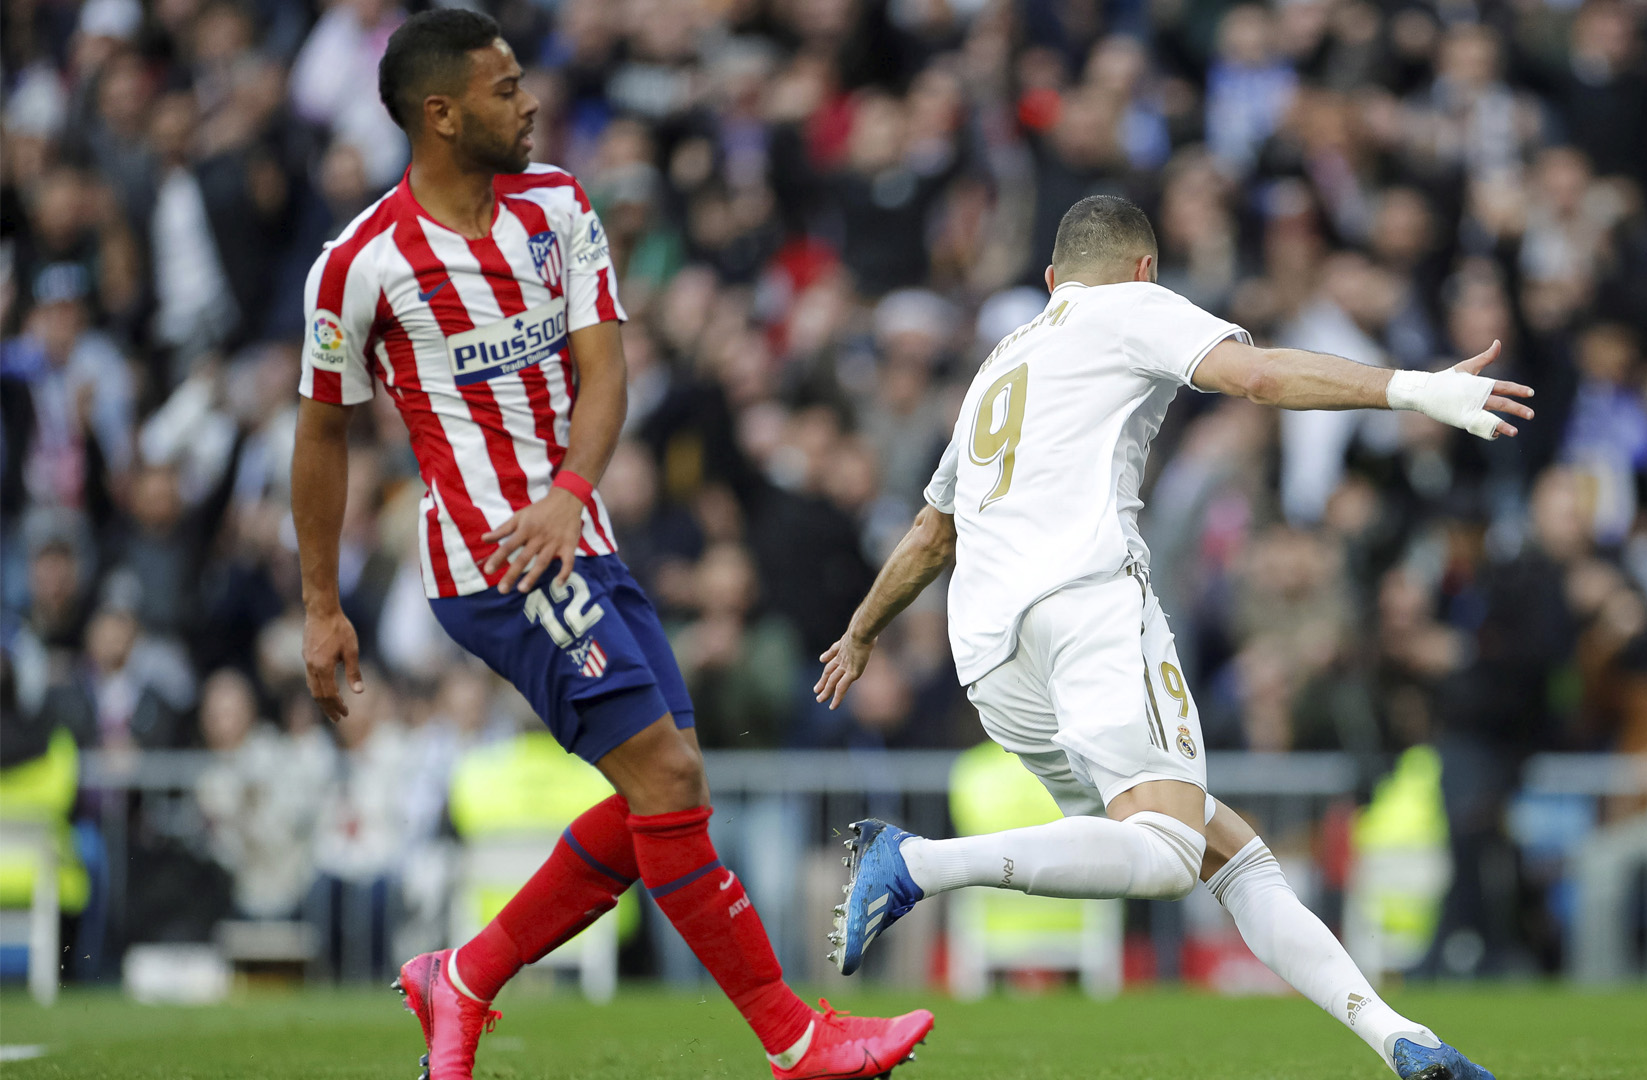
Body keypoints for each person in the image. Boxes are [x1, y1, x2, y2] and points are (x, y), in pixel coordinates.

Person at [288, 11, 932, 1080]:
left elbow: (608, 372)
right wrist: (320, 603)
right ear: (439, 114)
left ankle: (464, 979)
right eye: (502, 89)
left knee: (658, 800)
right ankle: (794, 1035)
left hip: (581, 538)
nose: (529, 100)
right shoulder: (359, 265)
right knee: (670, 774)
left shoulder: (559, 204)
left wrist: (571, 493)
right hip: (494, 562)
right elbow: (320, 433)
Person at [814, 196, 1527, 1080]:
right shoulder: (1133, 306)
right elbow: (1258, 378)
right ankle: (916, 861)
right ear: (1147, 269)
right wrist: (1419, 389)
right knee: (1164, 849)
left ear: (1050, 281)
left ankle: (1397, 1039)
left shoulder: (999, 365)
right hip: (1084, 604)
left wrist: (860, 632)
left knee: (1221, 851)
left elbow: (931, 534)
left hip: (990, 654)